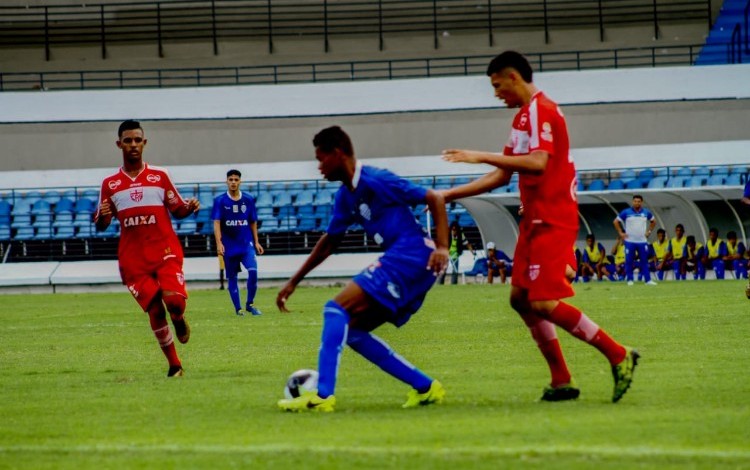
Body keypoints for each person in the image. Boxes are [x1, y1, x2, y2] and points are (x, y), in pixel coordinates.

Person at [440, 50, 638, 403]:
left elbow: (537, 163)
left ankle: (618, 354)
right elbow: (504, 173)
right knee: (520, 299)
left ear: (514, 77)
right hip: (533, 220)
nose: (496, 93)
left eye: (498, 86)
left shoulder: (542, 111)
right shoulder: (522, 119)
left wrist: (480, 154)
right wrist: (450, 195)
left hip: (553, 219)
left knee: (543, 301)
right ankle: (561, 379)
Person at [276, 126, 450, 412]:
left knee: (336, 309)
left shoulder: (377, 179)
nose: (319, 167)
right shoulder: (346, 197)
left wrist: (443, 247)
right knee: (353, 331)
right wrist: (294, 281)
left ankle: (322, 396)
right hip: (410, 262)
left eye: (321, 159)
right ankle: (426, 387)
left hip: (413, 255)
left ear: (338, 153)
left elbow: (435, 198)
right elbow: (330, 242)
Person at [94, 120, 200, 378]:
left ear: (144, 143)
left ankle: (178, 318)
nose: (133, 145)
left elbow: (178, 208)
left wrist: (189, 208)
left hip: (165, 251)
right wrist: (103, 216)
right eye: (127, 141)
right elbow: (102, 224)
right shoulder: (110, 184)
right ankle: (174, 365)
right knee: (154, 310)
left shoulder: (160, 176)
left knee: (174, 302)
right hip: (133, 259)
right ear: (119, 144)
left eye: (137, 140)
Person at [212, 169, 265, 316]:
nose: (233, 182)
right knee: (232, 277)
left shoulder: (248, 199)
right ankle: (238, 309)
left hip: (245, 244)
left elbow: (253, 221)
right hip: (229, 246)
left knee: (253, 272)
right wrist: (219, 243)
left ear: (240, 181)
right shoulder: (220, 201)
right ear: (227, 181)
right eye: (231, 179)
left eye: (236, 179)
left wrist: (257, 242)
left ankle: (250, 304)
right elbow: (216, 223)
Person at [614, 195, 657, 286]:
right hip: (630, 241)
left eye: (638, 201)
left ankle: (648, 280)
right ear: (632, 202)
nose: (637, 203)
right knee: (629, 261)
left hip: (642, 241)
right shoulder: (626, 212)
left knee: (644, 261)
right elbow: (616, 222)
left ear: (642, 202)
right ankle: (630, 280)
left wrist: (649, 231)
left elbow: (653, 221)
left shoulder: (646, 212)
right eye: (635, 201)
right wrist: (621, 233)